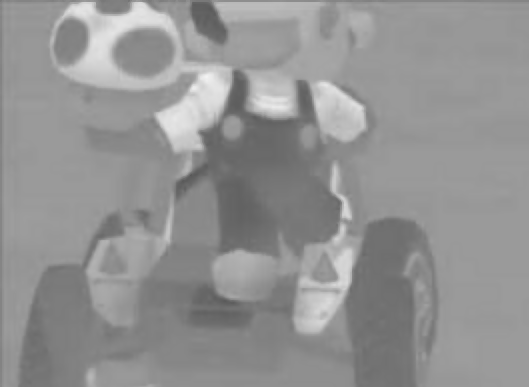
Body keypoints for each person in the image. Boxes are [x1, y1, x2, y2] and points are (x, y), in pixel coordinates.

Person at [82, 0, 378, 337]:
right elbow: (177, 123)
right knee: (240, 271)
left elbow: (357, 127)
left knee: (277, 261)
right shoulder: (217, 90)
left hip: (301, 202)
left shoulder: (317, 96)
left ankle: (296, 270)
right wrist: (138, 136)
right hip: (234, 198)